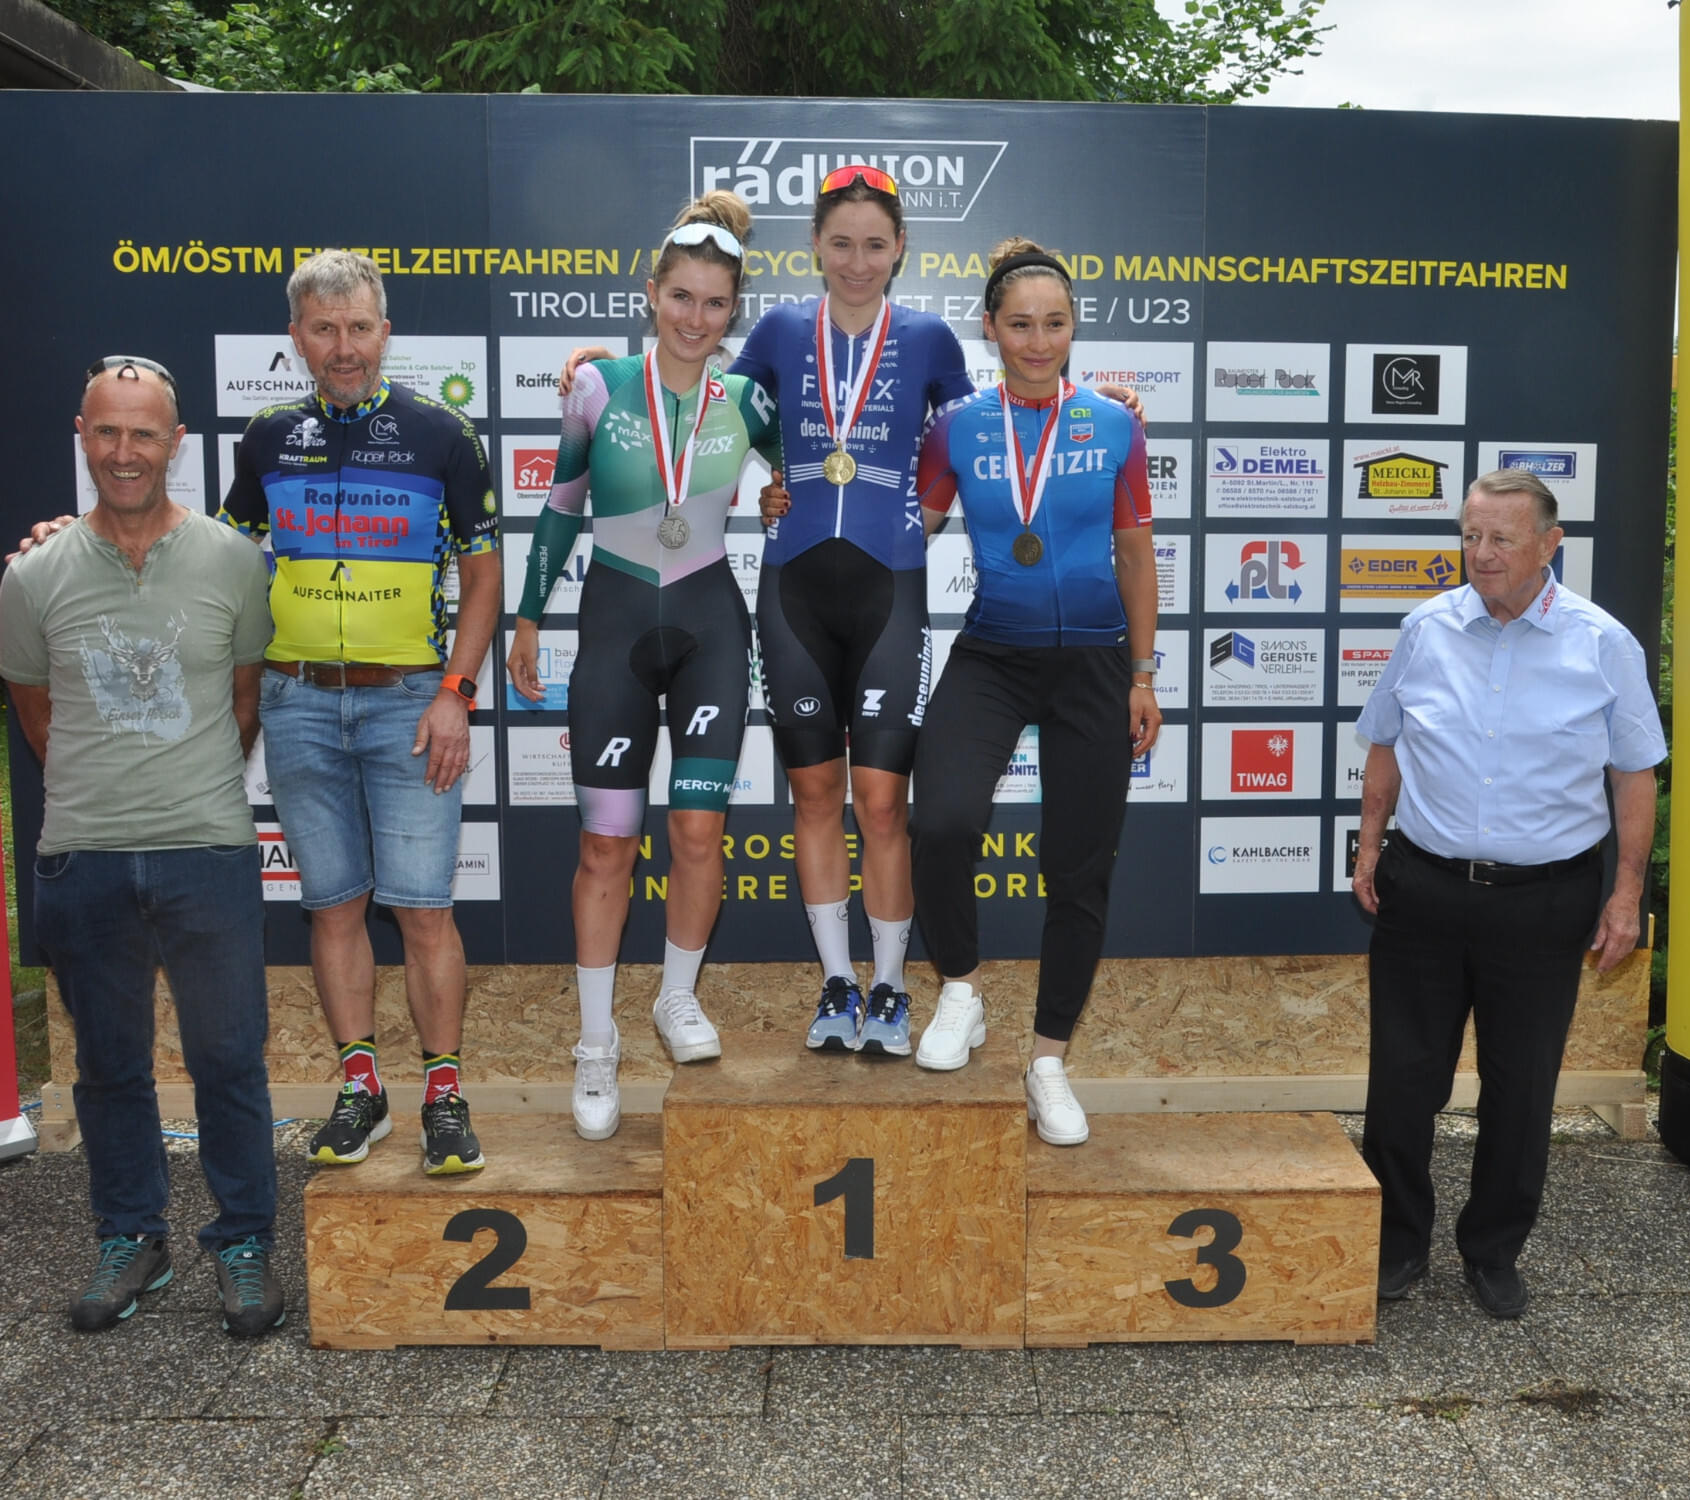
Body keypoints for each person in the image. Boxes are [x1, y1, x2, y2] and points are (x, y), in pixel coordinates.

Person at [573, 166, 1143, 1060]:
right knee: (812, 793)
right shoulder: (774, 330)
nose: (857, 261)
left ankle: (889, 986)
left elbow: (1000, 421)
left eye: (875, 244)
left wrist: (1110, 407)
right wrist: (593, 367)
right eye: (840, 243)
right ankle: (837, 980)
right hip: (794, 584)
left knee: (883, 802)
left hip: (893, 587)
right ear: (815, 248)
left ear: (900, 249)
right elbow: (690, 381)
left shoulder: (925, 339)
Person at [0, 356, 284, 1337]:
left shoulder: (235, 564)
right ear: (82, 435)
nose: (125, 454)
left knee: (228, 1058)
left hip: (205, 846)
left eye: (145, 434)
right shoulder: (31, 576)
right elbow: (38, 719)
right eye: (108, 433)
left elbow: (243, 705)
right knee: (110, 1066)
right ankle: (133, 1236)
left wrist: (178, 788)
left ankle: (243, 1240)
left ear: (177, 444)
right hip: (82, 856)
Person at [1351, 468, 1665, 1319]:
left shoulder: (1603, 643)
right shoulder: (1425, 628)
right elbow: (1384, 741)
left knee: (1521, 1089)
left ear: (1549, 546)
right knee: (1403, 1082)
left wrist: (1626, 893)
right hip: (1423, 888)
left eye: (1501, 539)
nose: (1480, 555)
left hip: (1543, 901)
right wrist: (1370, 845)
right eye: (1470, 536)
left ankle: (1493, 1251)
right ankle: (1396, 1244)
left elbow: (1635, 774)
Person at [506, 193, 781, 1140]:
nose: (695, 319)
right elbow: (559, 507)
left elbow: (807, 471)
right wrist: (528, 616)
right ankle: (595, 1044)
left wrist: (784, 488)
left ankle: (674, 997)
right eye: (680, 297)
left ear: (731, 311)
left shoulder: (749, 399)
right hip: (616, 624)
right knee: (606, 847)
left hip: (710, 625)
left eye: (713, 304)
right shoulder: (596, 386)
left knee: (698, 836)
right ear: (652, 292)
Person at [224, 250, 503, 1176]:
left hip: (410, 707)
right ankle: (361, 1089)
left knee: (424, 913)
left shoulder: (443, 434)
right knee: (333, 908)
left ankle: (445, 1095)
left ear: (386, 332)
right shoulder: (265, 438)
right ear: (297, 338)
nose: (344, 348)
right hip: (297, 702)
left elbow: (483, 572)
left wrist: (458, 694)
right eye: (324, 329)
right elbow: (221, 562)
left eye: (359, 327)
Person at [900, 237, 1162, 1147]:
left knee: (1079, 872)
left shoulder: (1117, 425)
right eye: (1021, 324)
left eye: (1055, 323)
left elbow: (1135, 553)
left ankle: (1048, 1059)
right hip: (994, 652)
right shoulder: (958, 427)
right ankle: (961, 991)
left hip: (1095, 663)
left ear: (1073, 327)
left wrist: (1142, 672)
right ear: (991, 328)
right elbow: (910, 529)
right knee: (940, 822)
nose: (1038, 340)